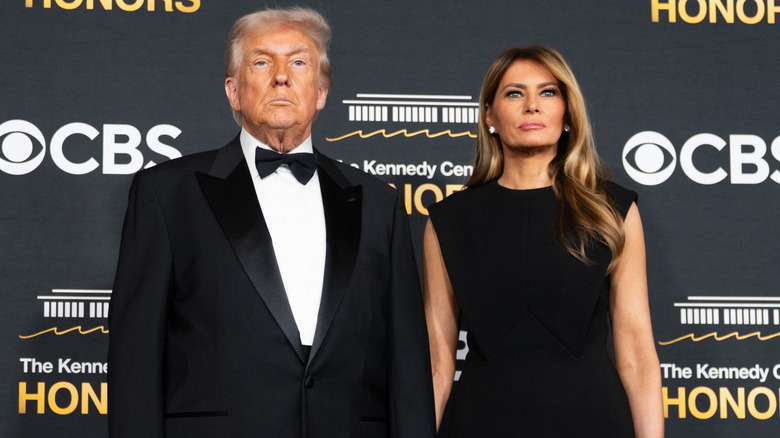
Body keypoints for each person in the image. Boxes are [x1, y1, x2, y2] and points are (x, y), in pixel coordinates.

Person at [107, 7, 435, 438]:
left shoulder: (378, 203)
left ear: (321, 92)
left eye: (298, 62)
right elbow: (136, 359)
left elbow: (407, 360)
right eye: (262, 62)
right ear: (233, 91)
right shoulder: (167, 194)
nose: (281, 76)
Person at [423, 46, 663, 437]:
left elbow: (637, 356)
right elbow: (437, 364)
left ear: (567, 112)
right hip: (481, 423)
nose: (532, 105)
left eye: (548, 92)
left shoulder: (611, 211)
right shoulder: (449, 221)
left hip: (594, 421)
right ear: (489, 116)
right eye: (514, 93)